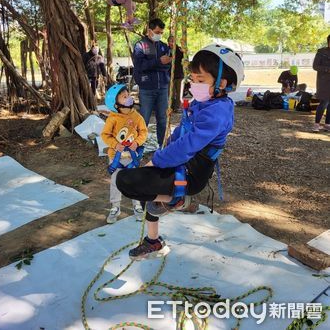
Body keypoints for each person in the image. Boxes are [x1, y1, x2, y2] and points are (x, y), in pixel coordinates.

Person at [116, 44, 244, 260]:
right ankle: (153, 241)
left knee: (126, 181)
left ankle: (177, 199)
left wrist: (157, 159)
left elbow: (189, 145)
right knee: (145, 188)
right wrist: (164, 151)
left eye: (200, 80)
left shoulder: (218, 111)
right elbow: (181, 135)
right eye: (193, 79)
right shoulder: (203, 103)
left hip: (192, 173)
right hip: (181, 165)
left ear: (222, 83)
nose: (194, 85)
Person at [101, 84, 148, 223]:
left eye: (128, 95)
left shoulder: (137, 116)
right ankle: (115, 206)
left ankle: (137, 205)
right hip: (116, 157)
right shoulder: (113, 118)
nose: (129, 98)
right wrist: (115, 144)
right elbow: (105, 135)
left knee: (135, 181)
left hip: (132, 157)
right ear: (116, 104)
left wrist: (137, 142)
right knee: (115, 182)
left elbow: (144, 132)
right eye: (124, 97)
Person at [132, 18, 172, 146]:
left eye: (161, 32)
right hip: (146, 89)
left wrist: (157, 64)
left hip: (163, 88)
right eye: (157, 32)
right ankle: (137, 146)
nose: (159, 35)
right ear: (149, 31)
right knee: (144, 120)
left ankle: (163, 146)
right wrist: (159, 62)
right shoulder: (140, 46)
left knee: (163, 119)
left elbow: (168, 66)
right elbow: (139, 66)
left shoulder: (164, 46)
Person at [312, 34, 330, 132]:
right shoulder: (321, 52)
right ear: (328, 42)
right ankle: (316, 124)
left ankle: (327, 124)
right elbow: (315, 66)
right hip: (324, 82)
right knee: (324, 102)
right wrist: (327, 69)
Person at [168, 35, 184, 112]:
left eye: (173, 41)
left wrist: (184, 52)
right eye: (170, 41)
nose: (172, 43)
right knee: (170, 93)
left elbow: (185, 59)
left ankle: (177, 107)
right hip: (169, 75)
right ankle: (170, 107)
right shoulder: (166, 50)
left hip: (179, 74)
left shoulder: (179, 50)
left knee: (179, 92)